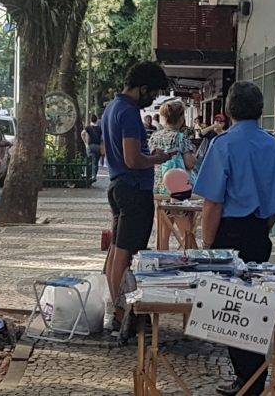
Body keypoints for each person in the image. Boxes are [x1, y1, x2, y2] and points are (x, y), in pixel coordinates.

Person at [194, 82, 275, 396]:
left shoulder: (223, 144)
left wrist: (208, 245)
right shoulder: (274, 145)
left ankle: (248, 378)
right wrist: (261, 226)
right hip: (259, 230)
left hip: (229, 230)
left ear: (230, 109)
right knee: (253, 303)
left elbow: (213, 203)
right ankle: (251, 376)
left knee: (229, 309)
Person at [101, 62, 172, 328]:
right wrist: (155, 158)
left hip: (118, 185)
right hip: (133, 188)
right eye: (152, 93)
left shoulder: (112, 107)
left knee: (116, 249)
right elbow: (132, 159)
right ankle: (121, 313)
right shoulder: (129, 112)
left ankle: (114, 307)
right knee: (125, 252)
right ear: (142, 88)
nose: (152, 98)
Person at [149, 100, 198, 250]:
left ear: (163, 118)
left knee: (162, 235)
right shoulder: (181, 138)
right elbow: (190, 163)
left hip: (159, 190)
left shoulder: (154, 137)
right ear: (182, 119)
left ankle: (162, 259)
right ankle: (191, 258)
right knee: (186, 234)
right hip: (178, 192)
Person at [81, 114, 103, 180]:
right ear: (96, 120)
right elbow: (102, 138)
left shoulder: (88, 128)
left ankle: (89, 175)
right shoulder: (100, 128)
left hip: (90, 146)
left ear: (91, 120)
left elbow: (82, 133)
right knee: (96, 162)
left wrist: (85, 143)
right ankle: (94, 175)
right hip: (98, 146)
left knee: (90, 161)